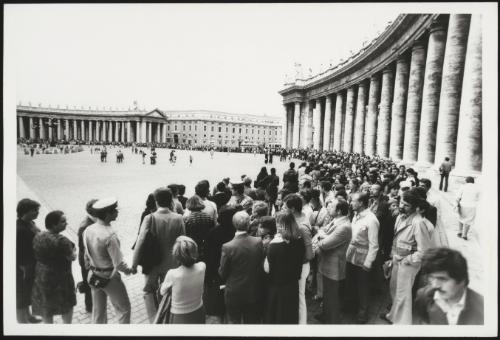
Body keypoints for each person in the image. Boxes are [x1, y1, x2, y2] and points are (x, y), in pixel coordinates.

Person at [132, 187, 186, 323]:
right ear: (171, 201)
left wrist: (134, 264)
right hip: (172, 264)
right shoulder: (179, 218)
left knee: (149, 291)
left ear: (156, 202)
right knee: (168, 292)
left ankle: (154, 320)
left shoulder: (149, 218)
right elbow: (182, 241)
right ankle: (166, 317)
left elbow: (140, 241)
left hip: (153, 264)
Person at [382, 191, 432, 325]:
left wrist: (407, 260)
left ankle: (402, 325)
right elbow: (396, 239)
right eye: (401, 202)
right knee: (395, 291)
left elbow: (425, 251)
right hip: (397, 260)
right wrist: (391, 257)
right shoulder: (400, 217)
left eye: (407, 205)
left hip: (408, 264)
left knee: (403, 295)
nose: (402, 206)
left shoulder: (418, 223)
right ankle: (392, 316)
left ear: (415, 207)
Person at [83, 197, 134, 324]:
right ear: (107, 214)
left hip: (93, 275)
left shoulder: (89, 229)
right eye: (114, 210)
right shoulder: (110, 235)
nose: (117, 212)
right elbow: (119, 263)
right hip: (109, 277)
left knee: (98, 311)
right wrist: (129, 270)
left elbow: (86, 253)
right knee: (124, 309)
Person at [413, 248, 484, 325]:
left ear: (462, 280)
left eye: (442, 279)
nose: (435, 285)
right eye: (432, 278)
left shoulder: (484, 308)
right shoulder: (423, 297)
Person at [218, 211, 264, 324]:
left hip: (234, 292)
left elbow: (222, 273)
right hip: (254, 290)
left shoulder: (228, 246)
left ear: (234, 224)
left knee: (234, 323)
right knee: (252, 323)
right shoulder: (258, 242)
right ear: (248, 224)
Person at [31, 211, 77, 323]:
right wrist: (74, 250)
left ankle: (49, 329)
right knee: (66, 304)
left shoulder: (38, 235)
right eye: (63, 221)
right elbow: (72, 257)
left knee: (46, 304)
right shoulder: (62, 241)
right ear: (53, 224)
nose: (66, 223)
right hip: (61, 277)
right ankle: (66, 329)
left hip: (42, 275)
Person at [264, 211, 305, 324]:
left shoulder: (274, 245)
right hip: (292, 285)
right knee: (290, 317)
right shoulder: (300, 241)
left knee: (277, 318)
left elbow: (267, 268)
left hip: (277, 287)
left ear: (280, 225)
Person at [345, 192, 379, 324]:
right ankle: (352, 307)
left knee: (363, 286)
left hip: (363, 258)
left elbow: (374, 245)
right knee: (351, 283)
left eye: (353, 201)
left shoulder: (371, 220)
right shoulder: (355, 216)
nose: (351, 203)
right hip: (351, 255)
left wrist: (368, 263)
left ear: (361, 203)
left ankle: (363, 312)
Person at [282, 193, 314, 324]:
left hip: (301, 265)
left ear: (293, 209)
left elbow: (310, 254)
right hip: (296, 264)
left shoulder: (302, 227)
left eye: (285, 207)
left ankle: (302, 324)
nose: (283, 209)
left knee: (300, 295)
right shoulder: (297, 218)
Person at [159, 236, 206, 324]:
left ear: (177, 256)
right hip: (199, 310)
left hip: (180, 316)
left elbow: (162, 292)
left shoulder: (172, 274)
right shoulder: (202, 266)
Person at [16, 198, 42, 323]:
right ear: (25, 211)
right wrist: (24, 268)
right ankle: (22, 322)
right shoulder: (19, 229)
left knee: (27, 294)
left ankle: (29, 316)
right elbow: (19, 252)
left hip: (31, 265)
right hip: (23, 268)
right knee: (21, 296)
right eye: (35, 210)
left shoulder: (30, 223)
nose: (38, 212)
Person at [77, 199, 98, 313]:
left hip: (91, 259)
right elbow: (84, 248)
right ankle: (90, 307)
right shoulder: (85, 226)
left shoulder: (93, 222)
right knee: (89, 284)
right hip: (87, 261)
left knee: (92, 283)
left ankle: (94, 304)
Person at [183, 195, 213, 262]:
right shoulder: (208, 217)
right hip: (206, 245)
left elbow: (185, 234)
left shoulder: (187, 219)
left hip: (193, 245)